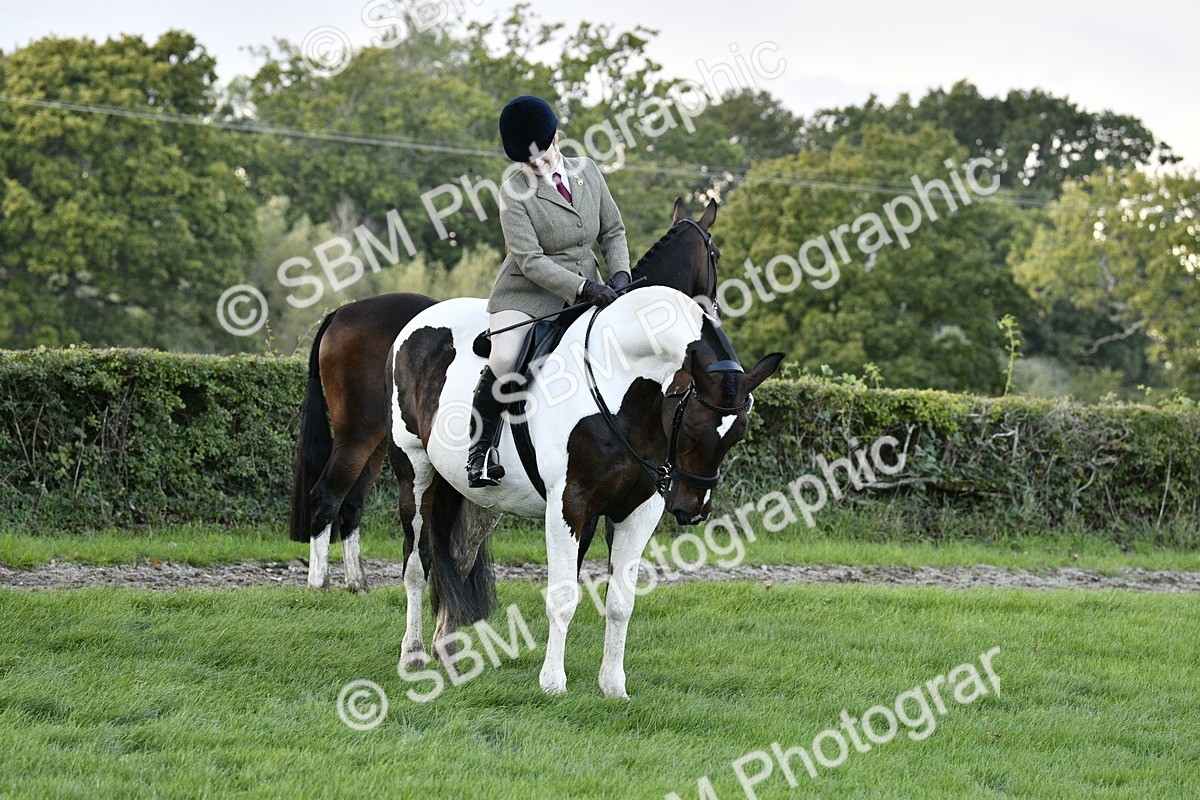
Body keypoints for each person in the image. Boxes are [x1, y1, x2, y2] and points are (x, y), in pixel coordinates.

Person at [467, 94, 632, 488]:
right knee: (506, 357)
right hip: (527, 293)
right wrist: (583, 287)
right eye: (530, 163)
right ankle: (479, 451)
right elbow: (529, 260)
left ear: (557, 137)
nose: (539, 167)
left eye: (544, 156)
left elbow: (612, 231)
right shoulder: (513, 193)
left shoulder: (588, 172)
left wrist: (621, 275)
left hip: (592, 287)